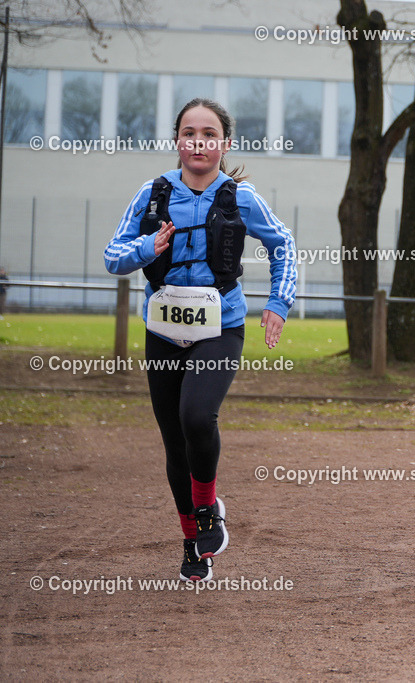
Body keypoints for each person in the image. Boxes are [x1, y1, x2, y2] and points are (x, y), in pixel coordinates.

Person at [104, 98, 296, 581]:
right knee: (174, 443)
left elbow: (284, 245)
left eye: (209, 134)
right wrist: (150, 247)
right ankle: (194, 542)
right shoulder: (152, 193)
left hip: (219, 325)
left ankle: (209, 509)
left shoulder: (241, 197)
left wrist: (277, 304)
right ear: (177, 141)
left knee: (196, 416)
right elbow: (113, 256)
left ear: (224, 144)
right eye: (189, 133)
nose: (198, 142)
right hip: (163, 328)